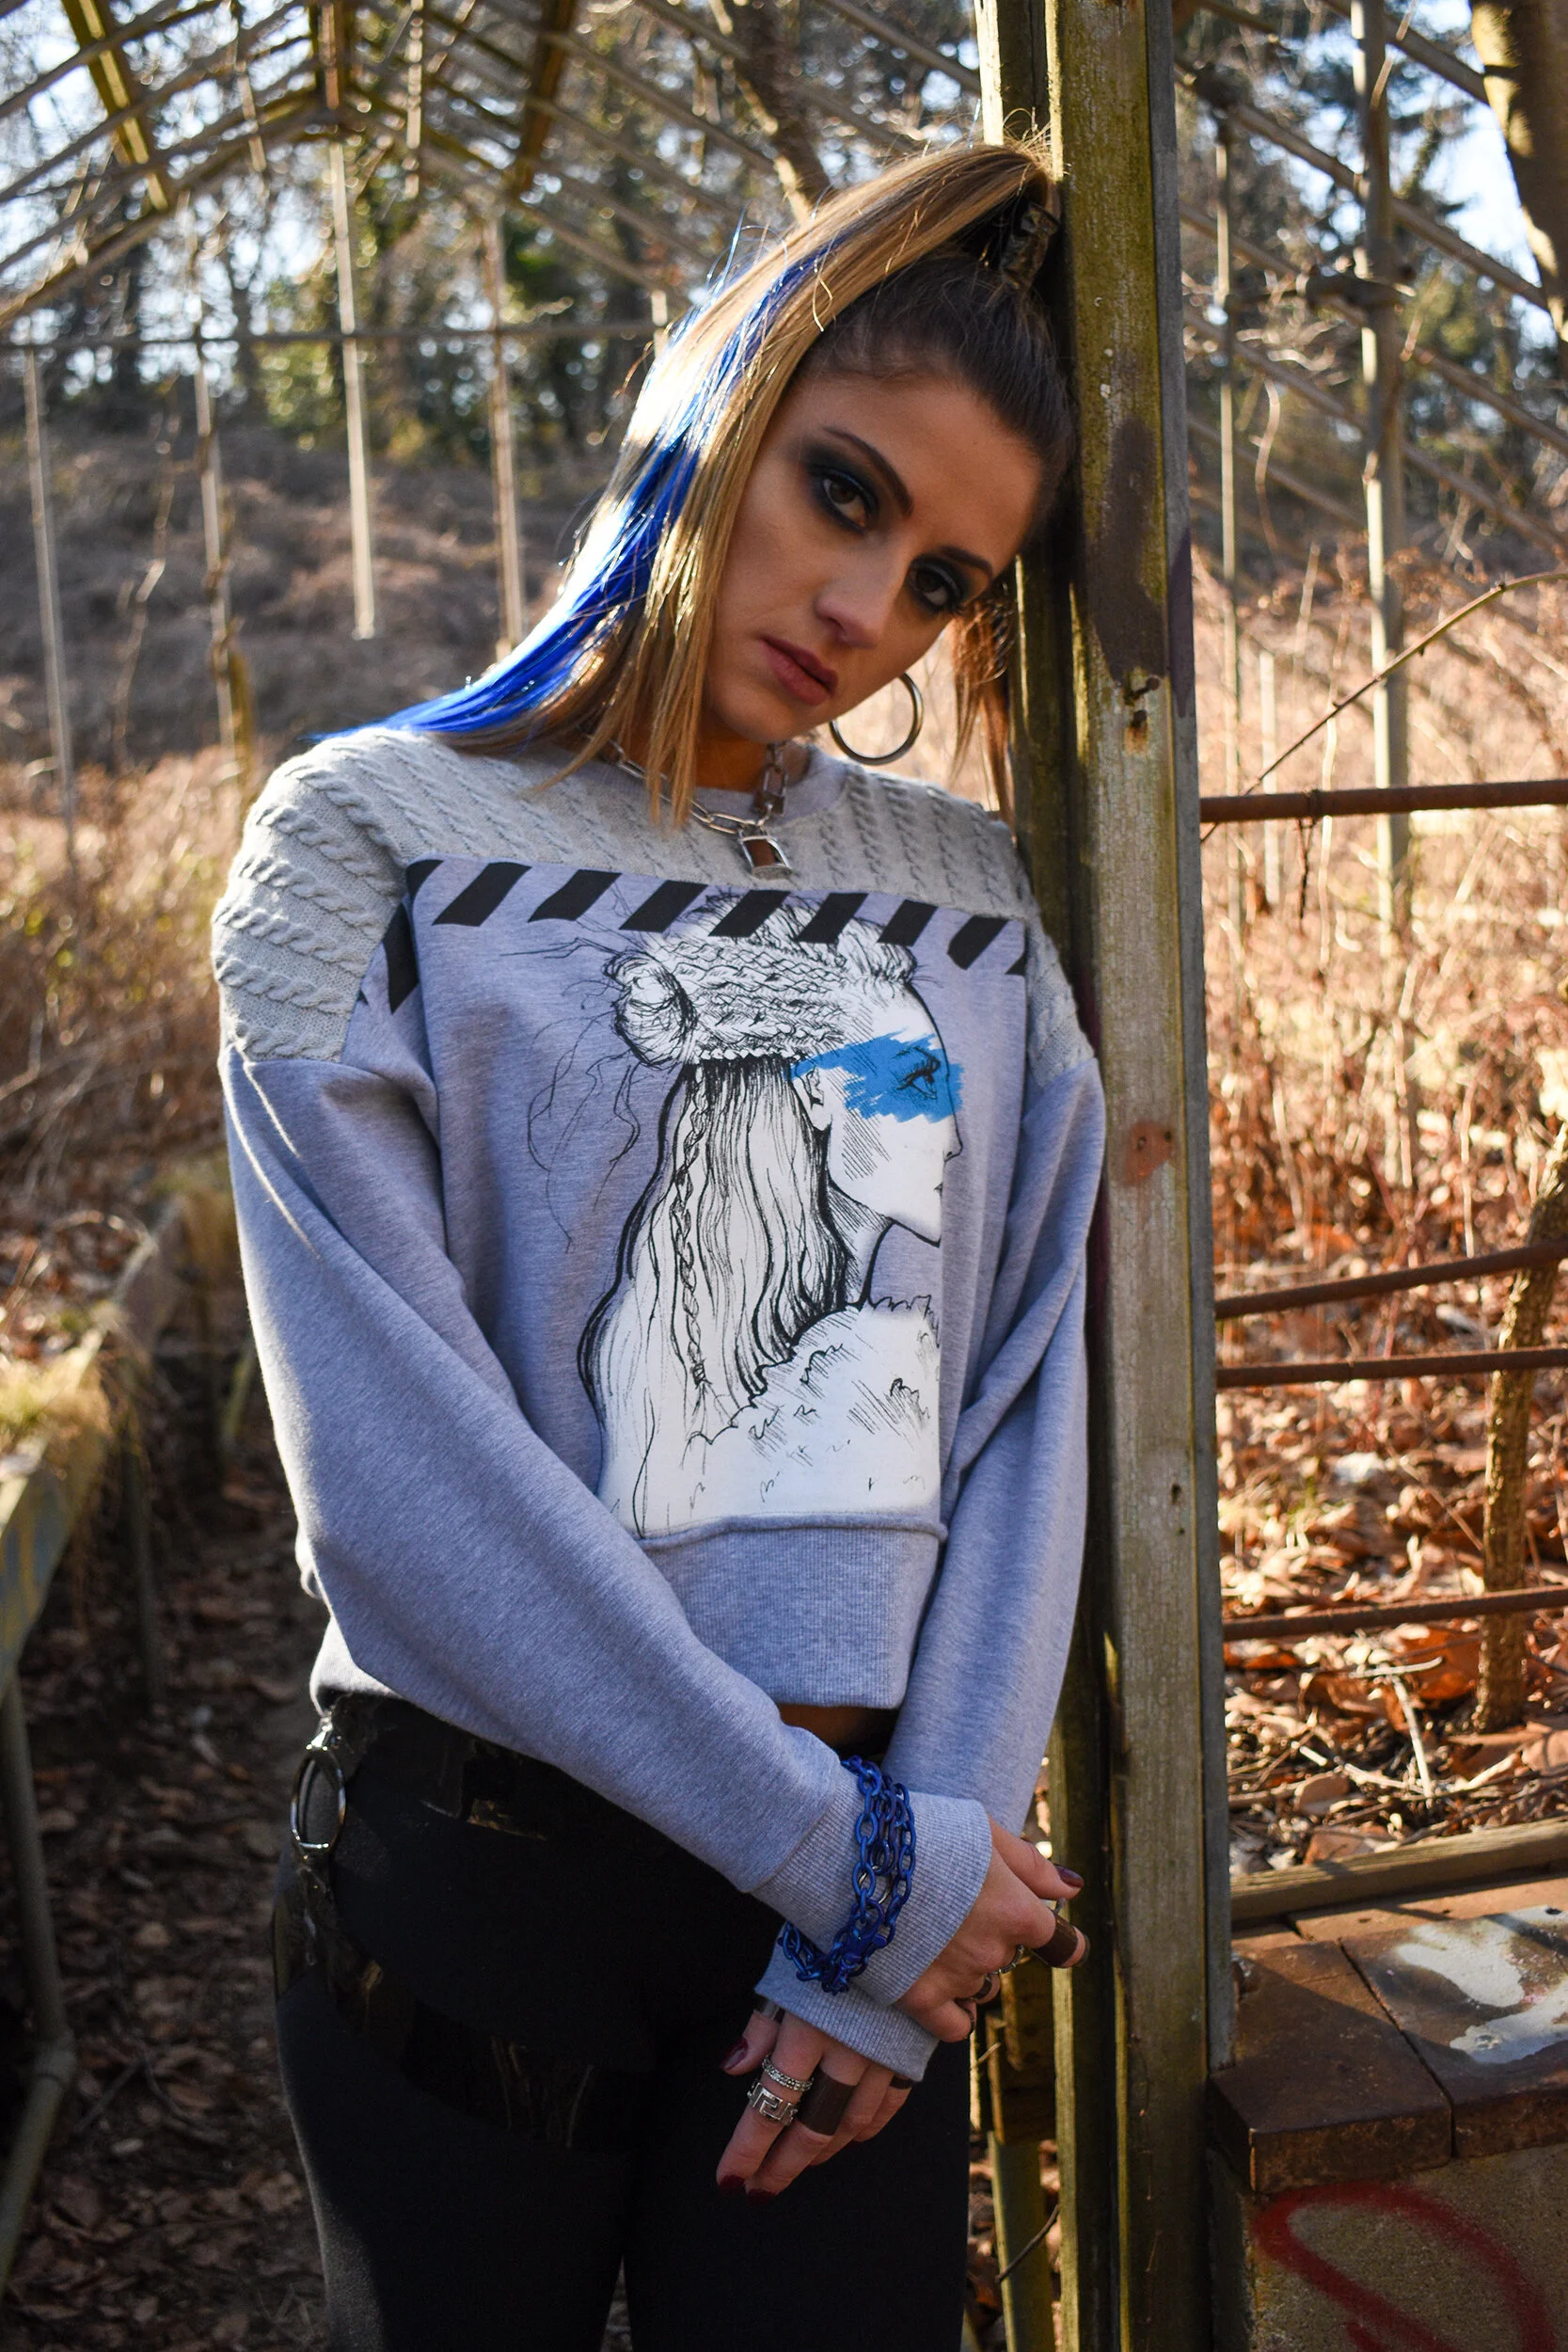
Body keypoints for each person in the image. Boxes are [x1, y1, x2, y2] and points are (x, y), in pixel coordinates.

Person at [214, 131, 1104, 2352]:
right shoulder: (364, 846)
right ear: (719, 404)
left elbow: (1022, 1391)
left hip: (854, 1906)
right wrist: (861, 1871)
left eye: (942, 580)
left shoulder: (969, 897)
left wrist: (895, 1908)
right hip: (482, 1880)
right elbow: (402, 1481)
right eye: (840, 491)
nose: (864, 606)